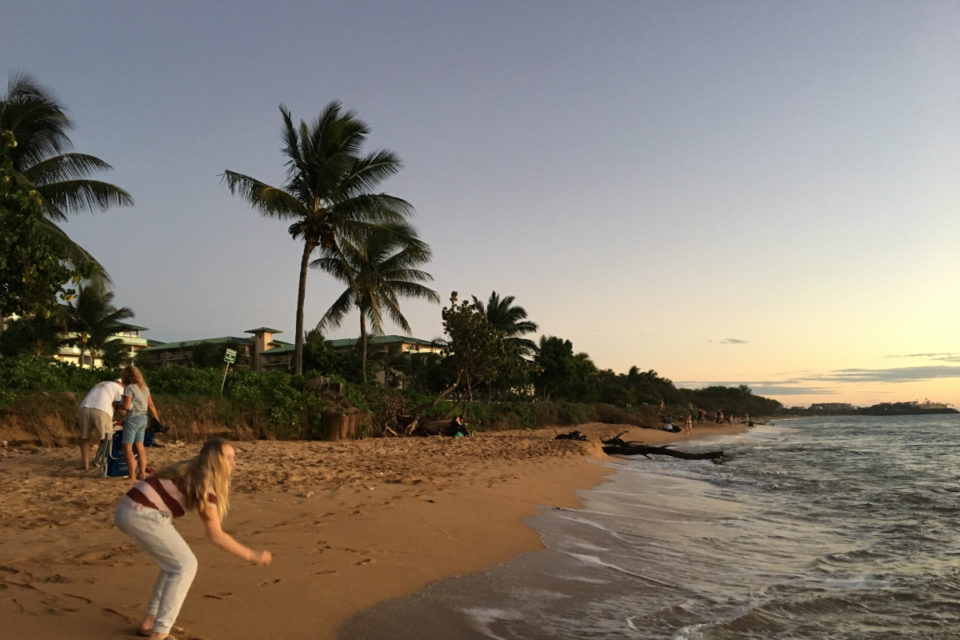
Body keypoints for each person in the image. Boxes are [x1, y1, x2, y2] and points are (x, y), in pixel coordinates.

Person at [114, 438, 272, 640]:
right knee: (185, 565)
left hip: (129, 509)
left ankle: (152, 621)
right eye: (229, 458)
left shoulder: (191, 469)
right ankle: (160, 633)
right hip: (142, 514)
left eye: (234, 458)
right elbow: (216, 535)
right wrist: (252, 555)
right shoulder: (204, 484)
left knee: (173, 564)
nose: (233, 464)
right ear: (215, 460)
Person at [120, 364, 161, 481]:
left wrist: (118, 405)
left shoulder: (129, 388)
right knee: (140, 446)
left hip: (133, 418)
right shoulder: (144, 388)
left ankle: (132, 475)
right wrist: (157, 419)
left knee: (127, 447)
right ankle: (142, 473)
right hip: (143, 418)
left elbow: (127, 406)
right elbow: (151, 405)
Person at [77, 378, 124, 470]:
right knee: (106, 438)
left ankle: (85, 465)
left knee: (85, 438)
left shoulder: (101, 384)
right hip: (102, 410)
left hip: (84, 408)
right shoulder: (119, 388)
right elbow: (123, 407)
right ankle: (103, 463)